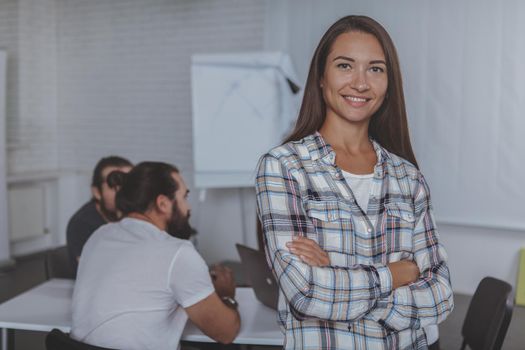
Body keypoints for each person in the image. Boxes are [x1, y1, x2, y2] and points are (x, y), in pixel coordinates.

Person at [255, 15, 453, 350]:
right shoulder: (283, 167)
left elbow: (441, 297)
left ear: (389, 82)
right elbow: (306, 293)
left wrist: (335, 271)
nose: (360, 83)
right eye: (345, 66)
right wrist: (395, 274)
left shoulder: (409, 178)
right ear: (321, 76)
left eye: (375, 69)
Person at [71, 162, 240, 350]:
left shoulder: (99, 235)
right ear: (162, 203)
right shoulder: (177, 252)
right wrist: (226, 295)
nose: (188, 207)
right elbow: (225, 333)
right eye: (184, 197)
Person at [66, 156, 133, 275]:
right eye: (113, 186)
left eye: (129, 185)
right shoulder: (82, 224)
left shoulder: (138, 216)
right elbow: (97, 274)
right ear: (97, 192)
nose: (123, 192)